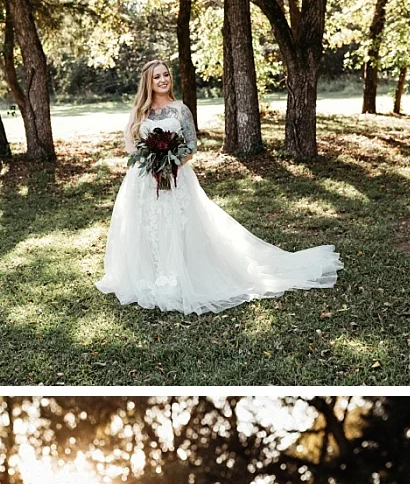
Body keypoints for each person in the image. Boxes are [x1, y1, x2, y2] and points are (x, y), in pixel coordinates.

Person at [96, 59, 343, 314]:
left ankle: (178, 276)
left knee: (177, 224)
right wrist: (149, 162)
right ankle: (149, 276)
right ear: (148, 82)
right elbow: (130, 143)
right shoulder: (139, 112)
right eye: (157, 76)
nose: (162, 80)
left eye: (166, 75)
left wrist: (170, 165)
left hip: (176, 176)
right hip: (144, 180)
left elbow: (191, 146)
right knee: (147, 226)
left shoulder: (181, 110)